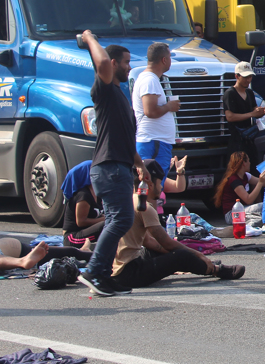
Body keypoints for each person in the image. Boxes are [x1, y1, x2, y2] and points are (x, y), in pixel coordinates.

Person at [78, 30, 149, 297]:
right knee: (122, 220)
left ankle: (102, 277)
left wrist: (140, 165)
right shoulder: (104, 89)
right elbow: (102, 64)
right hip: (109, 167)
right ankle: (94, 271)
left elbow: (125, 138)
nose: (129, 67)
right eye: (126, 62)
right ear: (113, 63)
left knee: (115, 221)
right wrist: (89, 38)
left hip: (119, 166)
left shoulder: (120, 95)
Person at [111, 160, 244, 288]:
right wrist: (197, 254)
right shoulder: (144, 207)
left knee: (164, 251)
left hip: (119, 269)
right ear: (150, 185)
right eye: (160, 182)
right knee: (182, 255)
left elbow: (149, 242)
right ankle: (215, 269)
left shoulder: (128, 199)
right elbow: (166, 242)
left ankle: (200, 264)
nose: (162, 186)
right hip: (130, 274)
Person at [132, 42, 180, 165]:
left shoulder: (149, 79)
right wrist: (169, 106)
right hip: (153, 142)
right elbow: (150, 111)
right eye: (169, 58)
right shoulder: (150, 80)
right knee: (152, 182)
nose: (171, 61)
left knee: (155, 183)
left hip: (155, 142)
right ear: (164, 60)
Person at [224, 61, 265, 167]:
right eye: (245, 77)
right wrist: (251, 114)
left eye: (250, 76)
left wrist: (263, 111)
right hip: (236, 139)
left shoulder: (249, 92)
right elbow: (230, 116)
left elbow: (255, 111)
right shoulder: (230, 94)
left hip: (250, 138)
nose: (248, 80)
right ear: (237, 76)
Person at [212, 151, 265, 226]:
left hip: (243, 210)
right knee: (264, 206)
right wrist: (260, 183)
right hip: (232, 214)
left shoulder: (246, 176)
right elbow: (248, 200)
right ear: (244, 163)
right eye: (248, 161)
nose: (250, 163)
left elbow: (264, 182)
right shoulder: (234, 180)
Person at [0, 238, 90, 273]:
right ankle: (22, 261)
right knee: (72, 252)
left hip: (18, 251)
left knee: (72, 253)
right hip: (19, 251)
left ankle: (84, 251)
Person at [63, 180, 103, 248]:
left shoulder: (98, 194)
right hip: (72, 237)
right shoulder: (83, 195)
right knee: (105, 225)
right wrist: (103, 219)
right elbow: (81, 222)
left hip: (87, 232)